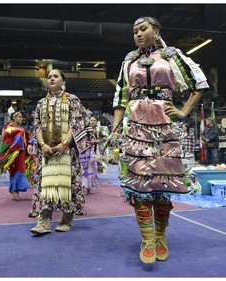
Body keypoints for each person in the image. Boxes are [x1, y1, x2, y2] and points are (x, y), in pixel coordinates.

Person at [112, 16, 209, 264]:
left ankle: (160, 236)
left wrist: (184, 111)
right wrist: (115, 128)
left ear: (156, 31)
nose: (138, 34)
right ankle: (146, 238)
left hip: (164, 127)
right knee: (140, 185)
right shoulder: (129, 60)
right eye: (134, 31)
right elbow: (121, 96)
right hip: (135, 128)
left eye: (143, 29)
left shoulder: (171, 55)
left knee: (163, 185)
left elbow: (198, 82)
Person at [29, 69, 94, 234]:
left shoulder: (72, 100)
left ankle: (66, 219)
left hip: (67, 152)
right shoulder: (41, 103)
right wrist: (42, 144)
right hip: (47, 152)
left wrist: (65, 143)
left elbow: (77, 123)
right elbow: (37, 126)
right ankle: (43, 222)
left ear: (63, 81)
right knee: (45, 186)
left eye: (55, 76)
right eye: (49, 77)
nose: (51, 78)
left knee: (68, 184)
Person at [0, 111, 35, 201]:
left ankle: (16, 189)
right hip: (13, 152)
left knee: (21, 169)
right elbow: (8, 134)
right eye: (19, 116)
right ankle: (14, 190)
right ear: (14, 118)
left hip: (21, 152)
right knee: (14, 170)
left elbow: (29, 135)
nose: (21, 118)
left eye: (22, 117)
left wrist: (30, 142)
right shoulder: (9, 127)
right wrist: (21, 131)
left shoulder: (20, 128)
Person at [80, 116, 101, 194]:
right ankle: (83, 187)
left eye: (94, 120)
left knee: (90, 173)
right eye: (91, 120)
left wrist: (91, 158)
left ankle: (88, 187)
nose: (92, 121)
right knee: (83, 173)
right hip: (81, 155)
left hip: (90, 154)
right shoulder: (80, 132)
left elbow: (92, 146)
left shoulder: (95, 131)